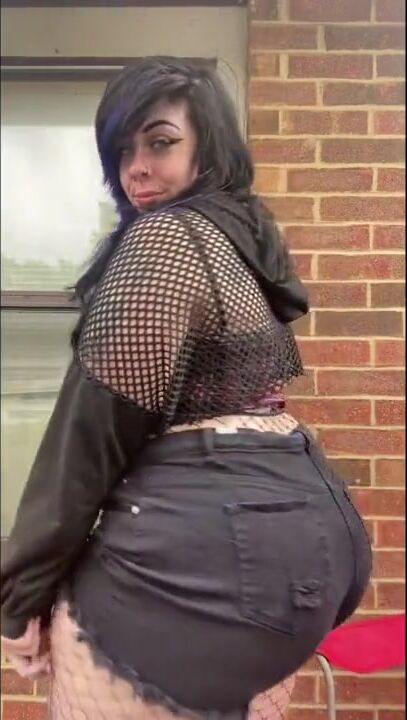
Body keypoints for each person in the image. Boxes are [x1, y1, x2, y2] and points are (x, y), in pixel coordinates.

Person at [1, 57, 372, 720]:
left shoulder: (167, 239)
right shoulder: (238, 241)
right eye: (122, 151)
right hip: (299, 549)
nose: (136, 169)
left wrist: (19, 596)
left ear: (209, 146)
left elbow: (87, 440)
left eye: (160, 142)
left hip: (213, 554)